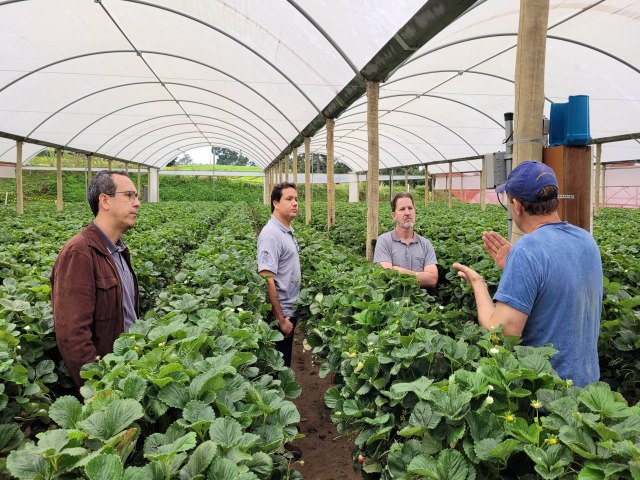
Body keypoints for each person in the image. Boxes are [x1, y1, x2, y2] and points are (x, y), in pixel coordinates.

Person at [453, 161, 602, 387]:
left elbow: (502, 336)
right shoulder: (586, 240)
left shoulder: (528, 250)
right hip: (588, 385)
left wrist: (478, 284)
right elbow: (556, 288)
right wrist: (516, 269)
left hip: (548, 393)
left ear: (517, 205)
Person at [51, 170, 140, 387]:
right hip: (107, 378)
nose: (137, 203)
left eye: (137, 197)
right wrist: (98, 387)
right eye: (129, 195)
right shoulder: (79, 252)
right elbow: (73, 334)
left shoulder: (118, 251)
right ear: (105, 200)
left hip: (128, 367)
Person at [257, 182, 301, 368]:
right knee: (278, 368)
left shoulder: (287, 231)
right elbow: (267, 278)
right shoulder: (271, 234)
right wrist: (281, 319)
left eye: (297, 199)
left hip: (289, 310)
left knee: (284, 365)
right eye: (289, 199)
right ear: (276, 203)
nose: (295, 203)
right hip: (281, 313)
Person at [373, 192, 438, 288]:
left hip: (421, 301)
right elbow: (385, 275)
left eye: (410, 208)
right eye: (402, 209)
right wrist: (420, 276)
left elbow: (432, 280)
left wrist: (397, 270)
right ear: (394, 215)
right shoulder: (384, 241)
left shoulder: (425, 244)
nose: (407, 213)